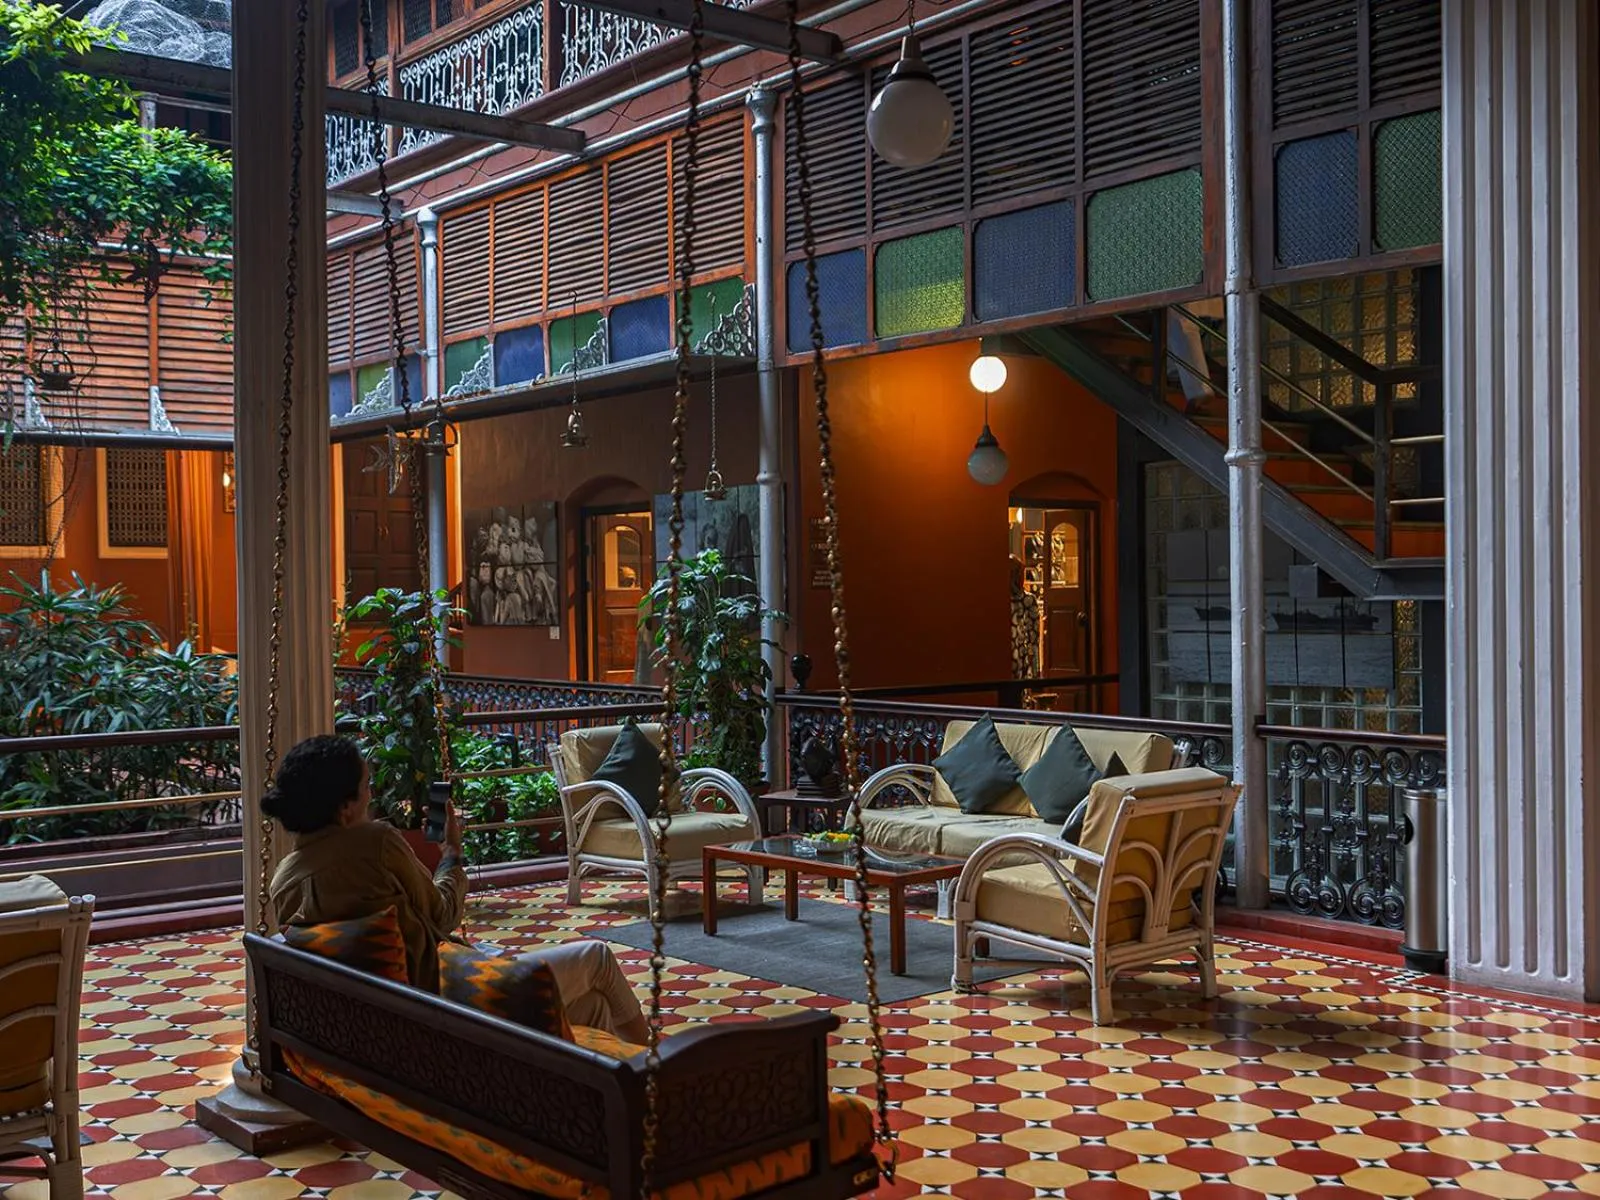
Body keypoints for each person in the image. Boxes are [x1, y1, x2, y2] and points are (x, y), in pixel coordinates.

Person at [264, 735, 648, 1041]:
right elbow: (443, 914)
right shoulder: (374, 843)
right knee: (596, 957)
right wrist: (451, 853)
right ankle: (654, 1083)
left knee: (595, 1007)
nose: (372, 796)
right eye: (366, 786)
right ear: (345, 806)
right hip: (444, 1007)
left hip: (376, 1028)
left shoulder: (283, 881)